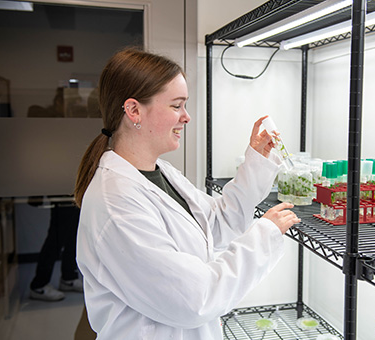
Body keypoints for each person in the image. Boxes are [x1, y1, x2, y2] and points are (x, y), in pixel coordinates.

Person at [73, 47, 301, 339]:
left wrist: (255, 161)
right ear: (133, 110)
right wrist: (264, 235)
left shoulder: (162, 173)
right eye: (176, 105)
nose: (187, 117)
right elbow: (194, 299)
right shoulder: (116, 203)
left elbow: (215, 224)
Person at [29, 199, 83, 301]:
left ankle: (68, 277)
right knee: (57, 236)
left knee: (73, 233)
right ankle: (39, 285)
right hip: (61, 192)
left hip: (71, 192)